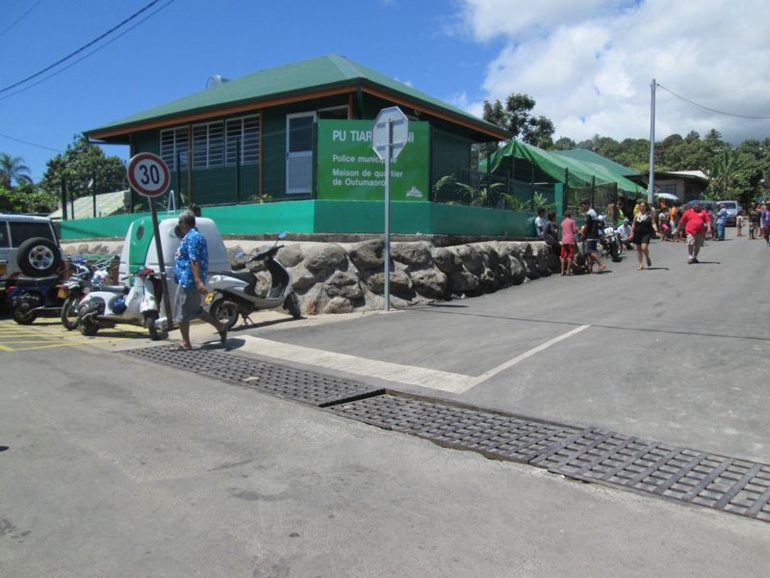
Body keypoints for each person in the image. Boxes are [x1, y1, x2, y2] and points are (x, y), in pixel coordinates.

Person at [171, 210, 228, 350]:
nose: (179, 225)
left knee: (182, 313)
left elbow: (194, 260)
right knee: (194, 310)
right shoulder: (192, 236)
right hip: (187, 278)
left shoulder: (193, 238)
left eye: (180, 222)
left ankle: (186, 343)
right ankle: (220, 327)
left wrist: (197, 281)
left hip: (189, 280)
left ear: (184, 223)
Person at [579, 199, 607, 274]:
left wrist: (582, 232)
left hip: (591, 234)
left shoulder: (589, 213)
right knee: (590, 252)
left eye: (583, 206)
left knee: (589, 251)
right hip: (594, 234)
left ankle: (601, 264)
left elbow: (587, 225)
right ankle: (589, 267)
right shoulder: (594, 212)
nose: (582, 208)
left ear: (587, 204)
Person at [631, 200, 658, 270]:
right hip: (637, 233)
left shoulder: (649, 215)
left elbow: (653, 223)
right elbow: (633, 224)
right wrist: (631, 233)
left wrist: (656, 231)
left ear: (646, 207)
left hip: (646, 233)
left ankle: (647, 257)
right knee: (639, 249)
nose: (641, 207)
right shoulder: (637, 215)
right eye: (640, 206)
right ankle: (640, 264)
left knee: (644, 248)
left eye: (643, 206)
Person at [559, 209, 579, 275]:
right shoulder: (572, 221)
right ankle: (568, 271)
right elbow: (574, 231)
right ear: (570, 215)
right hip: (570, 240)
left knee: (563, 256)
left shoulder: (562, 223)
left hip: (564, 241)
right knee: (570, 256)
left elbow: (562, 229)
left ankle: (562, 271)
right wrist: (577, 229)